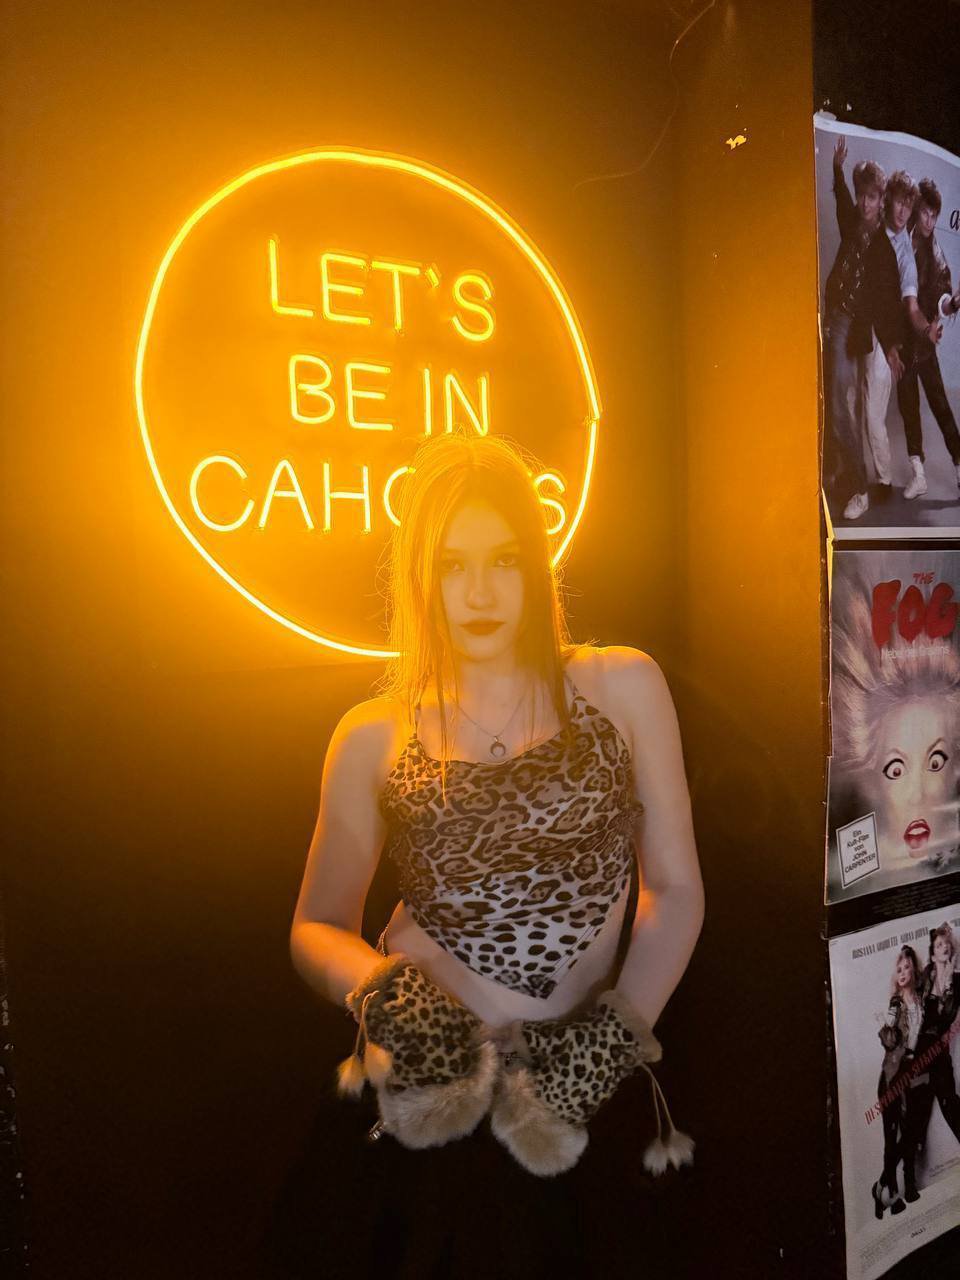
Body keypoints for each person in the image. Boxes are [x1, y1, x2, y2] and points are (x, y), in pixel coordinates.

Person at [266, 432, 704, 1279]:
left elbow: (675, 889)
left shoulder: (621, 686)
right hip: (422, 1103)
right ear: (417, 576)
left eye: (503, 560)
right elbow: (315, 925)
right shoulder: (373, 735)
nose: (477, 592)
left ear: (537, 564)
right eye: (451, 564)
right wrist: (394, 1002)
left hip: (573, 1104)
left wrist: (604, 1047)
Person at [830, 556, 960, 879]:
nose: (917, 794)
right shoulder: (847, 874)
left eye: (936, 762)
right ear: (870, 782)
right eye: (896, 769)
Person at [822, 140, 895, 523]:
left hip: (851, 328)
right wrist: (837, 168)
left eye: (872, 197)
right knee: (830, 399)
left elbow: (885, 303)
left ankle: (859, 488)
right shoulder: (852, 222)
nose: (865, 203)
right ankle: (839, 472)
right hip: (832, 315)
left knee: (841, 406)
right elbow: (840, 201)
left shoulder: (883, 248)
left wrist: (893, 346)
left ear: (881, 200)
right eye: (861, 196)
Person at [896, 178, 960, 499]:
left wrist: (954, 303)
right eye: (925, 213)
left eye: (934, 216)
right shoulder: (899, 237)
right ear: (916, 209)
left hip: (923, 343)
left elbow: (943, 300)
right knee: (908, 406)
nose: (929, 221)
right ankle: (918, 475)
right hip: (899, 339)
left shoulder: (936, 254)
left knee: (940, 406)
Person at [872, 946, 925, 1216]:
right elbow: (890, 1035)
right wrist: (888, 1026)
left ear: (914, 969)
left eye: (907, 967)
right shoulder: (896, 1002)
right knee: (892, 1139)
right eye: (899, 969)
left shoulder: (920, 1000)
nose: (902, 972)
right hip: (891, 1078)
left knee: (911, 1134)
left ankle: (897, 1184)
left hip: (911, 1077)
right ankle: (892, 1194)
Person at [905, 924, 960, 1170]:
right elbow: (912, 1010)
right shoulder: (924, 977)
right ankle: (906, 1171)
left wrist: (948, 985)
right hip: (921, 1051)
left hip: (940, 1049)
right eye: (939, 945)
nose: (944, 947)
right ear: (933, 952)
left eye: (947, 944)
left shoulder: (957, 980)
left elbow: (948, 1017)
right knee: (920, 1104)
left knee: (949, 1100)